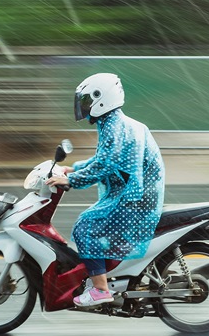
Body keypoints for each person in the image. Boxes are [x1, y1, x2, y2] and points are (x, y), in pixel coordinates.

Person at [46, 73, 165, 307]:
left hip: (134, 198)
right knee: (94, 224)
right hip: (135, 194)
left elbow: (106, 164)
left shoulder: (115, 126)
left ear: (101, 98)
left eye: (87, 101)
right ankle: (105, 274)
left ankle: (100, 288)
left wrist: (72, 180)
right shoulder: (114, 123)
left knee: (85, 226)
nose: (84, 107)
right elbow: (103, 159)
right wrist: (74, 169)